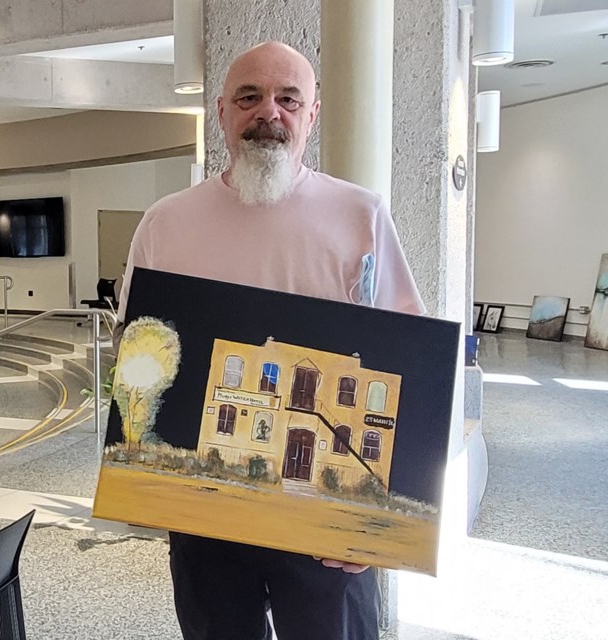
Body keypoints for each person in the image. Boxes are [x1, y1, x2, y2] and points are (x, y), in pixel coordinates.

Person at [113, 41, 425, 640]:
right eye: (250, 97)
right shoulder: (166, 223)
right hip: (204, 505)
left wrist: (378, 519)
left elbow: (406, 363)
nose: (269, 113)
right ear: (223, 111)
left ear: (311, 115)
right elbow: (142, 362)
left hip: (326, 510)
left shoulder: (361, 215)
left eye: (288, 99)